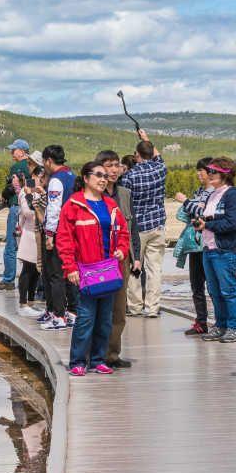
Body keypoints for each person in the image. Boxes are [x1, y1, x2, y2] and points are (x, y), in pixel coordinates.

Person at [56, 161, 130, 376]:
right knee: (86, 317)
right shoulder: (74, 205)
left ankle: (98, 359)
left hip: (109, 268)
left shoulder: (110, 205)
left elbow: (122, 232)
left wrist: (121, 250)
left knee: (105, 318)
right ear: (86, 178)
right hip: (85, 270)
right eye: (98, 174)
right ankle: (78, 360)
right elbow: (64, 239)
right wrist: (70, 267)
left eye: (105, 175)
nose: (103, 179)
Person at [193, 158, 236, 343]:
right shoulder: (213, 194)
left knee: (228, 290)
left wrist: (207, 224)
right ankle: (220, 325)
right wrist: (202, 224)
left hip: (225, 249)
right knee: (214, 290)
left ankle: (235, 328)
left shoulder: (233, 194)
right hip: (209, 248)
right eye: (209, 171)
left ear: (224, 175)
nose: (209, 175)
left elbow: (234, 221)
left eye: (213, 172)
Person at [117, 129, 167, 318]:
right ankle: (152, 307)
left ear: (137, 155)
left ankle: (135, 306)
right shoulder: (160, 168)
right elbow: (158, 155)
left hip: (137, 228)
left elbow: (124, 201)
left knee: (134, 267)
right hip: (157, 225)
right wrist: (145, 138)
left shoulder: (130, 176)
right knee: (155, 269)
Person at [97, 150, 136, 368]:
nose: (113, 170)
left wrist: (135, 256)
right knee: (99, 307)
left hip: (121, 257)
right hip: (98, 258)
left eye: (116, 165)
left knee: (119, 308)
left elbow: (133, 226)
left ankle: (112, 354)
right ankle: (95, 354)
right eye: (108, 165)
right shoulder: (93, 194)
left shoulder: (124, 193)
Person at [173, 158, 213, 336]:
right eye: (197, 171)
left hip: (206, 243)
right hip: (194, 245)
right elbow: (188, 213)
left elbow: (201, 213)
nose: (199, 174)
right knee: (196, 285)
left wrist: (187, 202)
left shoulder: (213, 193)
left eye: (201, 171)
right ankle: (201, 321)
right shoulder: (199, 191)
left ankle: (220, 322)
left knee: (212, 285)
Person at [40, 144, 77, 331]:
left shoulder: (56, 180)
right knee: (71, 272)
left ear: (48, 160)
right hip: (73, 231)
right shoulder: (72, 176)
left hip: (59, 232)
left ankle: (59, 315)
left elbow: (54, 208)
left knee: (55, 274)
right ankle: (72, 312)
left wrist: (49, 234)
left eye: (43, 161)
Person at [0, 139, 31, 290]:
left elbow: (10, 189)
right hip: (32, 209)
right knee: (31, 245)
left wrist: (3, 198)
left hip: (16, 208)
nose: (11, 152)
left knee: (11, 244)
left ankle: (8, 279)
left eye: (14, 150)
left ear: (22, 151)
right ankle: (34, 284)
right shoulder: (34, 166)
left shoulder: (17, 167)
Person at [15, 166, 43, 315]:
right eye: (39, 176)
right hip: (28, 233)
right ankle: (23, 303)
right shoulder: (24, 192)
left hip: (38, 233)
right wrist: (39, 210)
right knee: (27, 269)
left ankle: (31, 301)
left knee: (36, 271)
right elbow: (27, 212)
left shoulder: (40, 192)